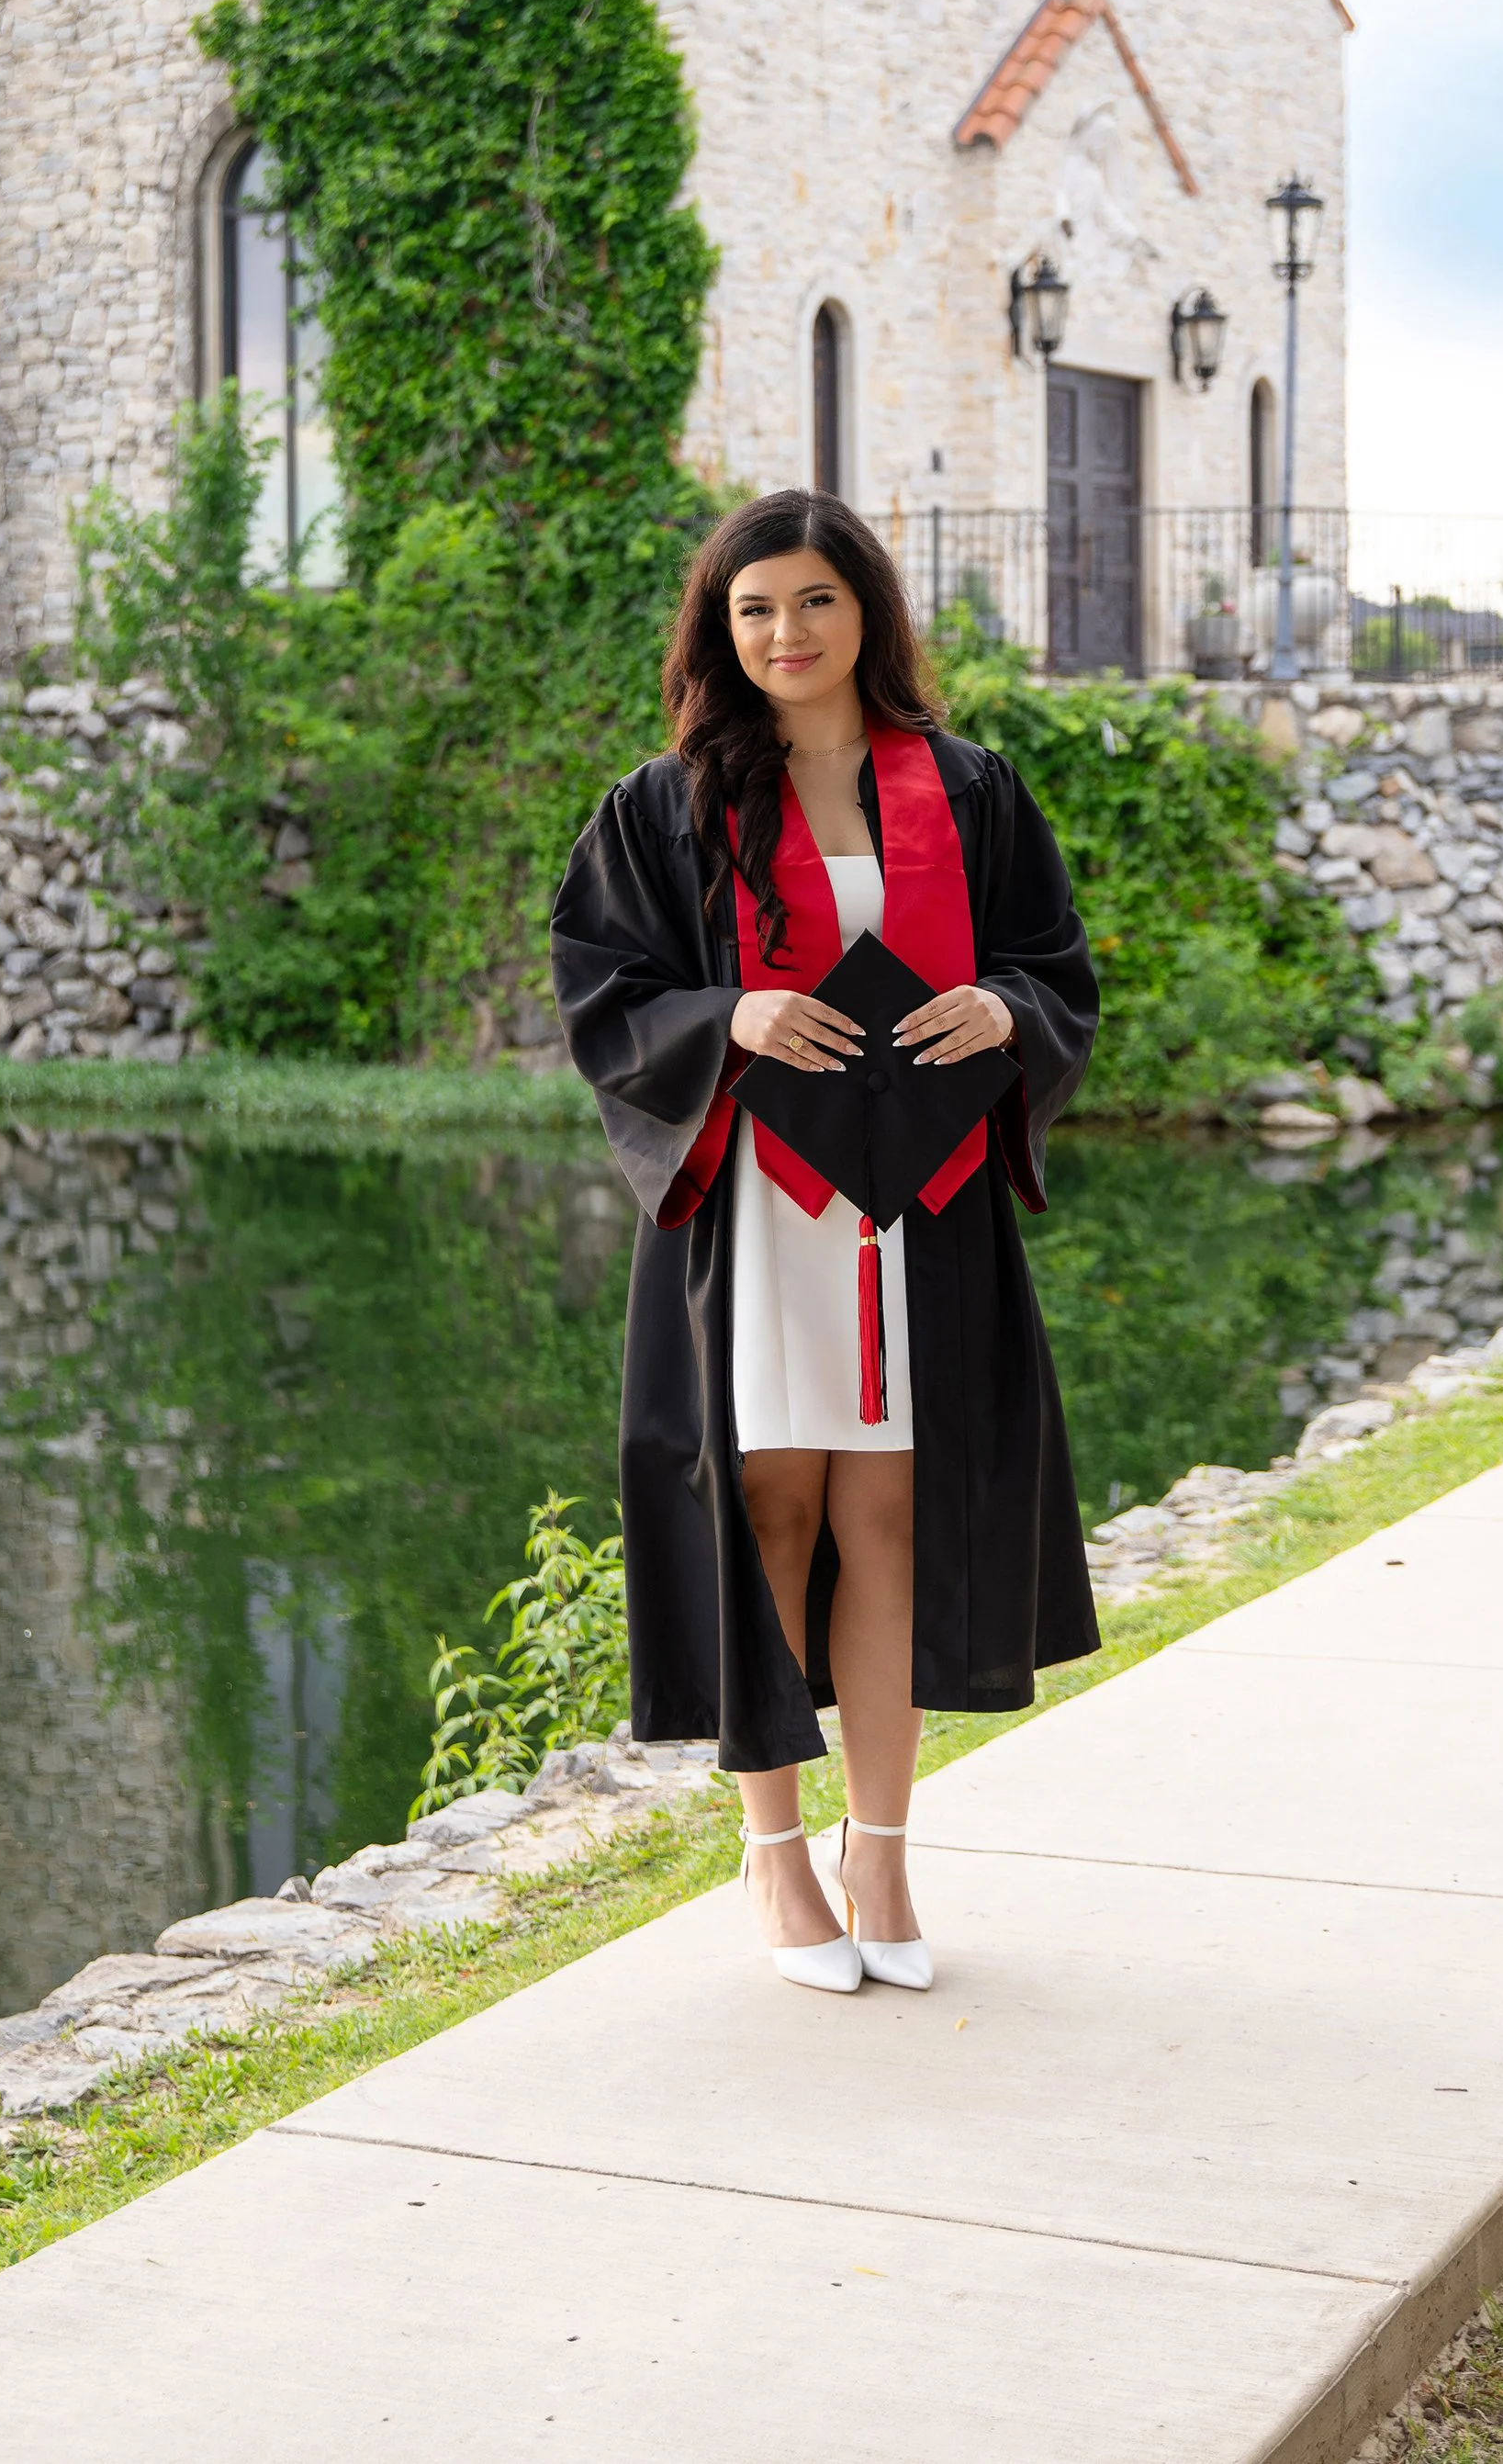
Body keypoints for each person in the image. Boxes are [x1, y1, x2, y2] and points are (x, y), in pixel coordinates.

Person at [550, 489, 1099, 1995]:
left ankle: (885, 1853)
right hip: (752, 1210)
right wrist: (728, 1014)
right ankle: (774, 1852)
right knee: (769, 1509)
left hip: (919, 1211)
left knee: (893, 1516)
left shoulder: (968, 791)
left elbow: (1054, 967)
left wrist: (1005, 1009)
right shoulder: (668, 806)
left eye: (813, 601)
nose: (785, 632)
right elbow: (602, 989)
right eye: (754, 609)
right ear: (719, 629)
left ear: (866, 610)